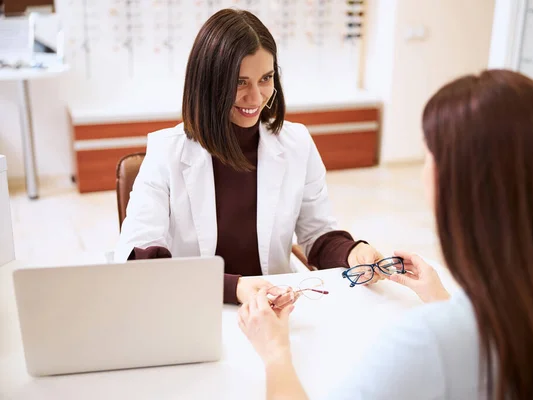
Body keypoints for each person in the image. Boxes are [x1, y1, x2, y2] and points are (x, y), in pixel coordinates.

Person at [238, 70, 533, 399]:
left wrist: (275, 353)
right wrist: (440, 297)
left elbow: (463, 344)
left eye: (428, 155)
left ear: (448, 180)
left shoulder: (423, 342)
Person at [114, 9, 383, 305]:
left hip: (276, 304)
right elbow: (140, 262)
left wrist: (351, 251)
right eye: (240, 82)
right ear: (208, 83)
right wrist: (235, 288)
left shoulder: (296, 143)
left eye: (265, 78)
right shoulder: (165, 153)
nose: (256, 97)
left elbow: (318, 233)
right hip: (196, 307)